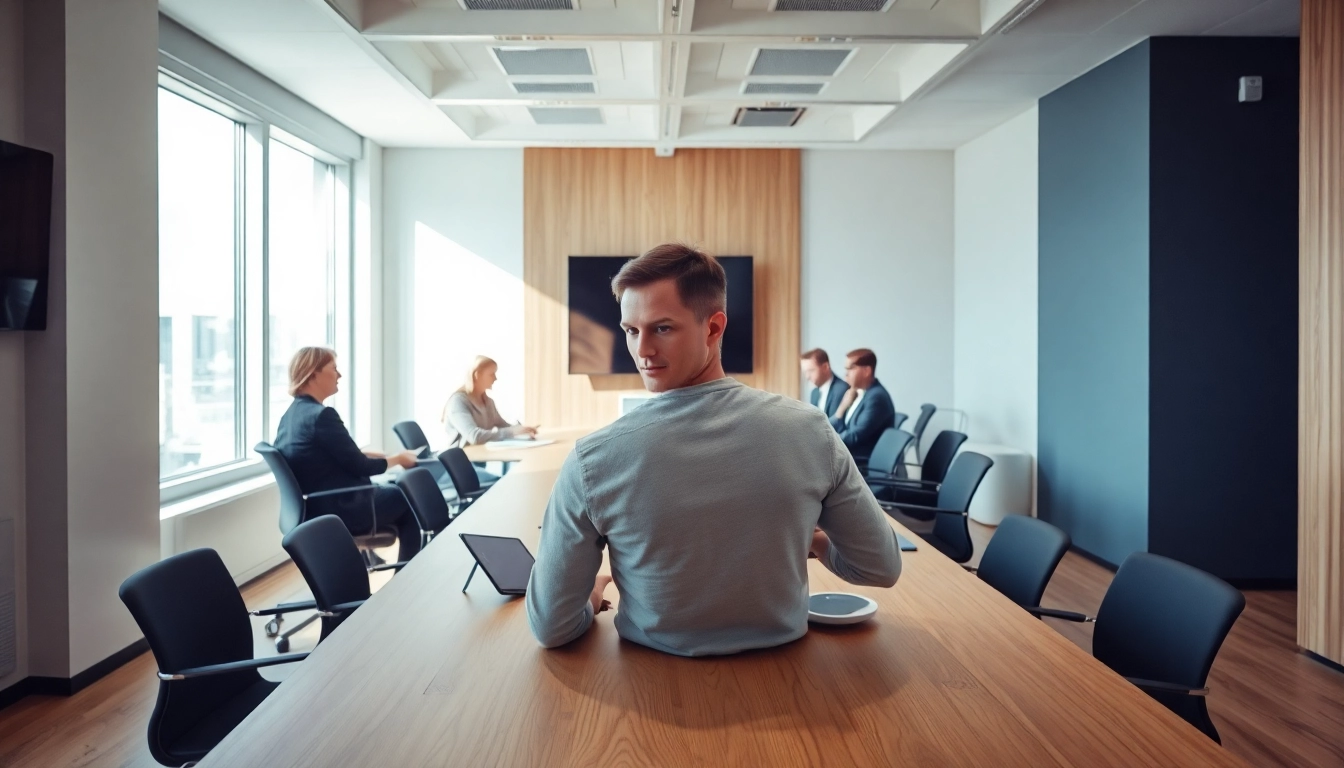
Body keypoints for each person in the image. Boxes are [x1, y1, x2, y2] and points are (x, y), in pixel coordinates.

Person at [526, 244, 902, 657]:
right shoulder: (810, 431)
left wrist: (595, 593)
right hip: (789, 675)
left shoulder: (592, 459)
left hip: (652, 683)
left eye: (662, 328)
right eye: (631, 330)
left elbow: (552, 627)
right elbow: (880, 566)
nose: (642, 350)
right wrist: (813, 541)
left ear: (713, 327)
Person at [273, 347, 424, 562]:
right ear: (313, 374)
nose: (340, 375)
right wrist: (399, 459)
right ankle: (406, 575)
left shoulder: (290, 416)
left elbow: (318, 456)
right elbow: (362, 467)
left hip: (317, 506)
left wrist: (364, 453)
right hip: (342, 508)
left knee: (392, 490)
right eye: (334, 368)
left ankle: (368, 560)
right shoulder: (322, 415)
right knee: (405, 496)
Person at [442, 356, 538, 448]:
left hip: (481, 455)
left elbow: (503, 427)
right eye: (492, 374)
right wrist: (513, 431)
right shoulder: (458, 402)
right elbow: (474, 436)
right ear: (477, 375)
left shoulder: (488, 402)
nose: (495, 378)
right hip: (459, 457)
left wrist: (523, 430)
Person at [829, 348, 896, 462]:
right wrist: (842, 409)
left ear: (866, 371)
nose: (846, 373)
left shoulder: (876, 397)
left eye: (850, 368)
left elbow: (854, 436)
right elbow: (844, 428)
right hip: (850, 458)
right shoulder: (859, 393)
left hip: (860, 463)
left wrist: (826, 442)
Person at [800, 348, 849, 418]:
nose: (807, 377)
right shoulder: (814, 393)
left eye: (811, 371)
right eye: (805, 372)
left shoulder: (842, 389)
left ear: (825, 367)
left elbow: (837, 422)